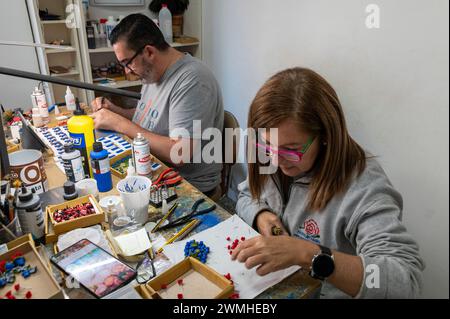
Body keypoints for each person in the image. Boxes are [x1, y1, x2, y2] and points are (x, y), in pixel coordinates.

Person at [233, 67, 424, 298]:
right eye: (266, 145)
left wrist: (308, 254)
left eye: (291, 150)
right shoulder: (272, 154)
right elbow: (245, 195)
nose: (275, 159)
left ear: (325, 137)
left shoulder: (363, 185)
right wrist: (262, 216)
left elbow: (404, 282)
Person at [91, 14, 224, 195]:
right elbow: (146, 115)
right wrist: (115, 111)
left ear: (149, 52)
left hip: (189, 186)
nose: (126, 71)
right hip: (154, 168)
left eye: (127, 63)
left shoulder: (193, 80)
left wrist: (119, 124)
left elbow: (179, 153)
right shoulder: (151, 72)